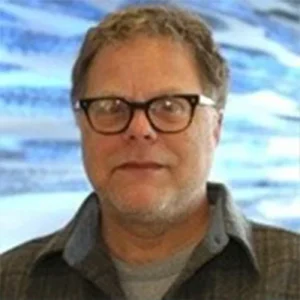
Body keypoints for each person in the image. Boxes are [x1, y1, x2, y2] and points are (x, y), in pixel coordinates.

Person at [0, 3, 299, 300]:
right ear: (82, 125)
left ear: (215, 127)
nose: (140, 129)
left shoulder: (292, 275)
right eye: (111, 107)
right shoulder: (11, 284)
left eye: (170, 107)